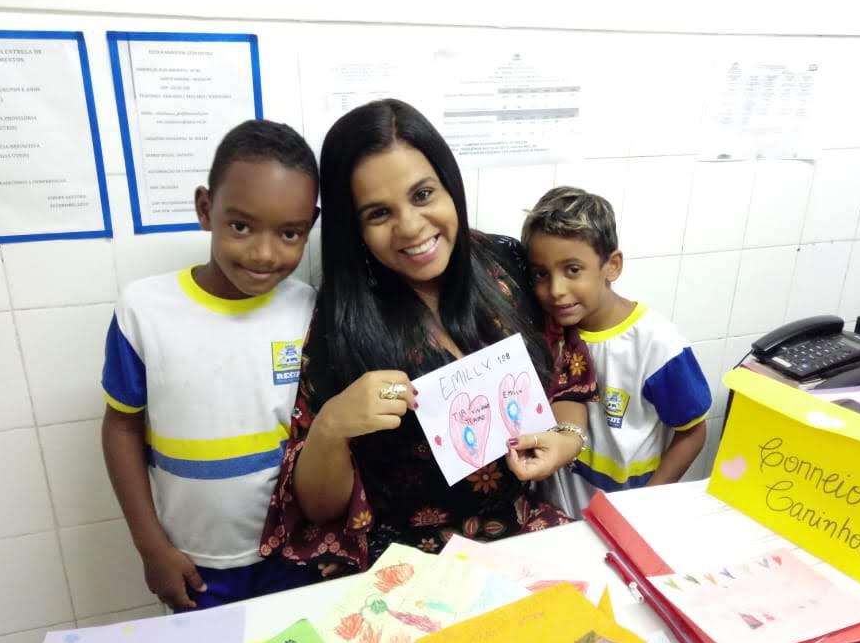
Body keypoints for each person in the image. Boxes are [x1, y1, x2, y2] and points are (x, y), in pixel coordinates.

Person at [259, 99, 597, 573]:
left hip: (524, 543)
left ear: (449, 187)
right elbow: (320, 510)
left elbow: (570, 382)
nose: (411, 227)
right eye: (379, 214)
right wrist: (332, 426)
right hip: (409, 571)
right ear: (352, 227)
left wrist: (566, 438)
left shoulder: (511, 268)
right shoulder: (339, 324)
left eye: (422, 195)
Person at [101, 120, 320, 610]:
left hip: (293, 553)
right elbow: (121, 428)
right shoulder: (144, 310)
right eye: (241, 226)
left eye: (290, 233)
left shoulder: (307, 309)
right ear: (206, 209)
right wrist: (150, 546)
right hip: (194, 564)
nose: (264, 253)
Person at [522, 186, 711, 518]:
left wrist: (644, 507)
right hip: (555, 513)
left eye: (572, 270)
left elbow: (693, 432)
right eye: (541, 274)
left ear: (612, 266)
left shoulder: (657, 344)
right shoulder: (547, 334)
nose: (556, 290)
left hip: (625, 514)